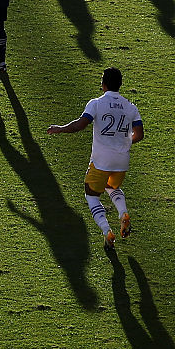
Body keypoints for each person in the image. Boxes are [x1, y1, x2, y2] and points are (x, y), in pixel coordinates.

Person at [47, 68, 144, 250]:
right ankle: (123, 213)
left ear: (103, 84)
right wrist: (123, 142)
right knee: (111, 186)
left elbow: (79, 125)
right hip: (122, 161)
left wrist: (60, 128)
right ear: (120, 85)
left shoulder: (97, 103)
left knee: (91, 195)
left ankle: (107, 231)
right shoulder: (131, 107)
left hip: (101, 161)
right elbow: (139, 134)